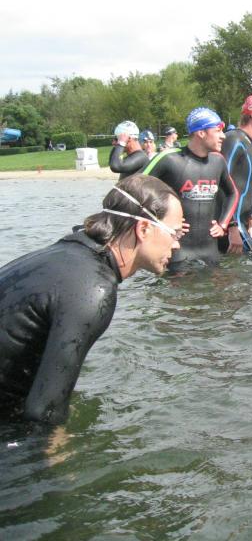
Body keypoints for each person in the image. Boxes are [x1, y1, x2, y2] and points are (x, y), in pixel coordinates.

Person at [0, 175, 183, 424]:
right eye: (174, 233)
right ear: (143, 229)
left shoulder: (67, 254)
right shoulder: (94, 288)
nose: (176, 245)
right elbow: (44, 412)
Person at [142, 107, 239, 269]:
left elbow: (232, 193)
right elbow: (132, 191)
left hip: (210, 251)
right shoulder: (169, 159)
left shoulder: (218, 161)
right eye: (217, 131)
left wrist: (223, 224)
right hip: (178, 252)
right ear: (201, 133)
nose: (223, 136)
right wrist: (160, 221)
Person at [218, 94, 252, 253]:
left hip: (240, 222)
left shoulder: (247, 142)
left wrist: (250, 217)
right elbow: (220, 183)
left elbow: (243, 188)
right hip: (230, 225)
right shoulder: (234, 140)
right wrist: (232, 226)